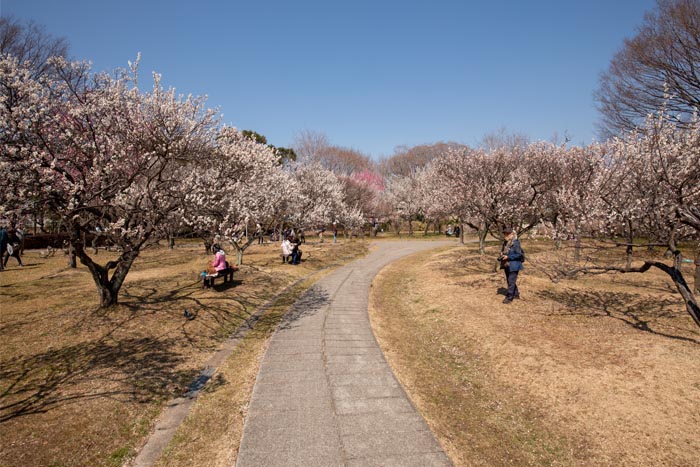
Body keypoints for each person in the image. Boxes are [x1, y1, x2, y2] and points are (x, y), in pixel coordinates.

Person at [498, 227, 523, 304]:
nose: (505, 235)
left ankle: (509, 297)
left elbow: (519, 254)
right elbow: (504, 252)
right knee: (510, 280)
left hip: (514, 265)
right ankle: (515, 294)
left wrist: (508, 257)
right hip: (507, 264)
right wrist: (501, 256)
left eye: (507, 234)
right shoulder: (505, 242)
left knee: (511, 281)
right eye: (504, 233)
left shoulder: (515, 243)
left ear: (512, 234)